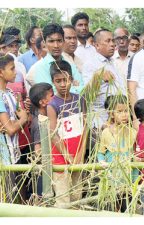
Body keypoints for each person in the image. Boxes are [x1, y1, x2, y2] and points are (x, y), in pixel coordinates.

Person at [47, 60, 87, 208]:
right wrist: (67, 155)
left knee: (77, 195)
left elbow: (85, 127)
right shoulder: (52, 105)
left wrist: (80, 153)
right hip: (60, 158)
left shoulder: (80, 100)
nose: (63, 84)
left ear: (71, 78)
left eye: (66, 80)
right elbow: (53, 133)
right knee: (63, 198)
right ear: (53, 82)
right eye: (58, 81)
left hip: (78, 154)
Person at [97, 95, 136, 212]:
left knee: (127, 210)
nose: (124, 115)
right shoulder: (106, 133)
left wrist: (134, 180)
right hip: (110, 181)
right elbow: (100, 152)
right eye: (119, 111)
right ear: (111, 114)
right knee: (111, 210)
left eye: (126, 111)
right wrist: (102, 162)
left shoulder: (132, 133)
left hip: (127, 182)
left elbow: (134, 158)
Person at [82, 29, 124, 134]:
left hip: (118, 121)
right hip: (102, 123)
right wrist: (97, 77)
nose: (112, 44)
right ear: (96, 45)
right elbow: (86, 95)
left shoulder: (113, 63)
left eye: (113, 41)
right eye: (108, 41)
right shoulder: (91, 65)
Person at [0, 53, 29, 201]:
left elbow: (19, 118)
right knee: (8, 197)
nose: (15, 72)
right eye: (11, 69)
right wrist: (23, 119)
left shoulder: (10, 93)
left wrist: (23, 117)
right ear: (1, 72)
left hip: (14, 152)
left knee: (17, 194)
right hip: (4, 157)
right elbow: (10, 129)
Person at [32, 23, 84, 94]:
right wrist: (73, 87)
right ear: (44, 43)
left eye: (59, 41)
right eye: (51, 41)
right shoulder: (41, 67)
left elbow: (82, 89)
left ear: (63, 41)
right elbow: (50, 94)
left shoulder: (70, 65)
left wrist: (60, 90)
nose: (56, 46)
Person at [28, 82, 54, 196]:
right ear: (43, 102)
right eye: (52, 95)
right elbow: (38, 151)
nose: (55, 97)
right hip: (44, 173)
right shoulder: (40, 122)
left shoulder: (45, 117)